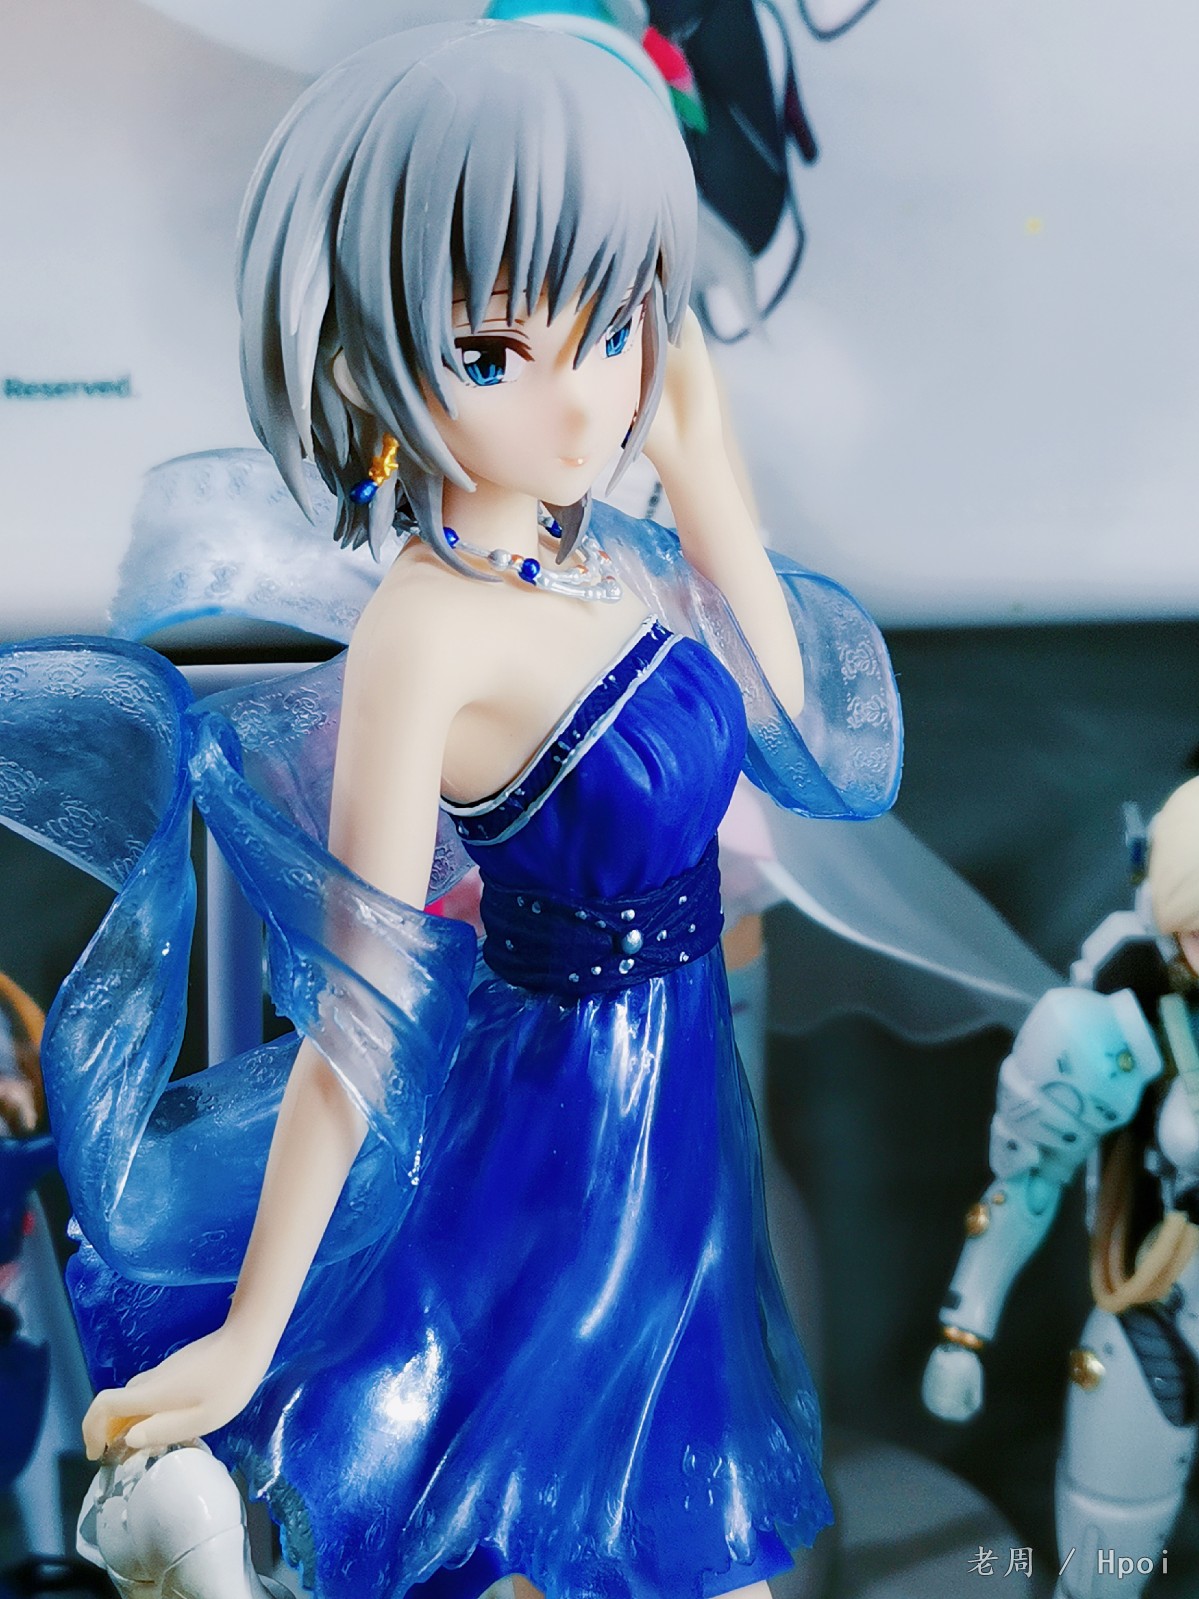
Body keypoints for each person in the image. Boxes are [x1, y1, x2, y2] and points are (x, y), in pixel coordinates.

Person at [1, 21, 901, 1599]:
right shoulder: (424, 632)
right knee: (532, 1533)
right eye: (492, 352)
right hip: (553, 1145)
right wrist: (249, 1334)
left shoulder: (603, 547)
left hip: (672, 1119)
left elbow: (796, 731)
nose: (576, 401)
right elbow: (357, 1009)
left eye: (608, 325)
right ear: (378, 362)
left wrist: (702, 467)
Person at [923, 775, 1199, 1599]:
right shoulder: (1121, 1018)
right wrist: (966, 1326)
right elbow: (1031, 1175)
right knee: (1104, 1552)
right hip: (1163, 1313)